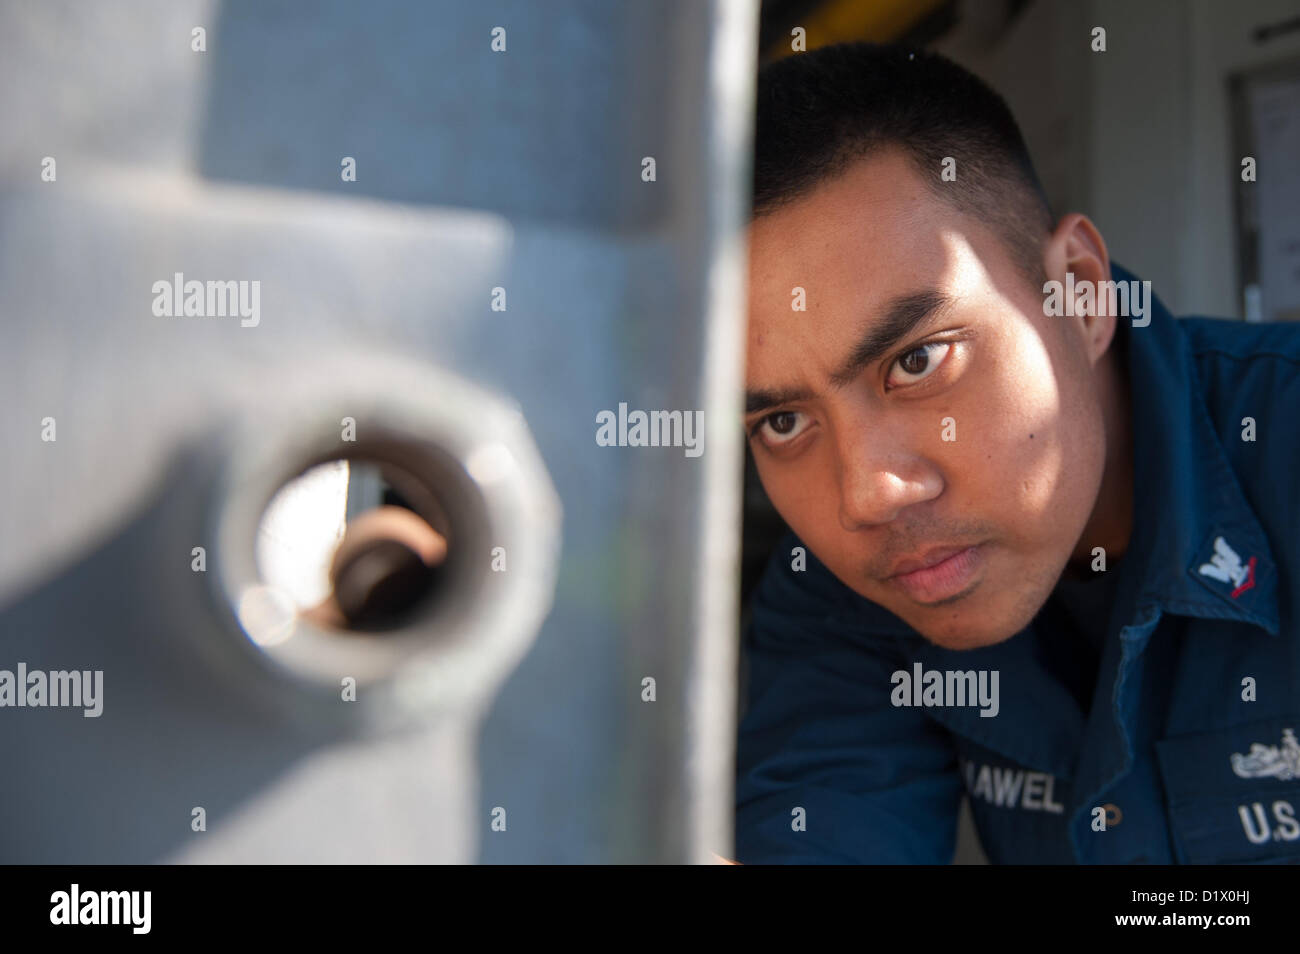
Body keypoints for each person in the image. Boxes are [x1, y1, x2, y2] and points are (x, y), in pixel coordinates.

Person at [734, 42, 1300, 863]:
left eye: (918, 362)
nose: (866, 494)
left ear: (1080, 291)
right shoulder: (837, 591)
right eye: (783, 421)